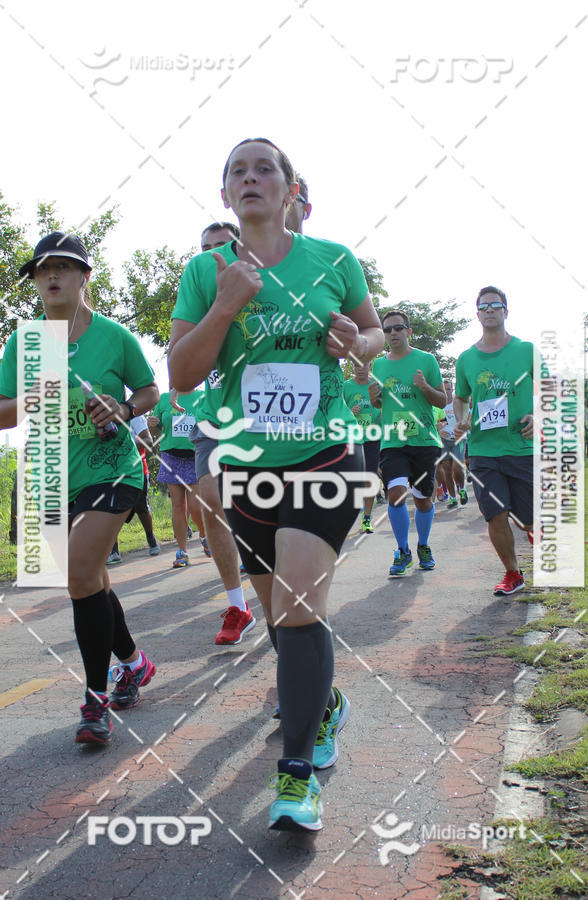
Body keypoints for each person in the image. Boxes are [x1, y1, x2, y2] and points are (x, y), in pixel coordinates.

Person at [168, 137, 384, 832]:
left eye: (266, 168)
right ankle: (321, 705)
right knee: (279, 616)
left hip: (323, 458)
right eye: (238, 171)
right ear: (225, 195)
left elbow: (374, 335)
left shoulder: (334, 260)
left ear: (292, 190)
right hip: (247, 472)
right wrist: (226, 306)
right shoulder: (206, 272)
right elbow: (179, 373)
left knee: (294, 606)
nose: (251, 177)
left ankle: (296, 779)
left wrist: (357, 342)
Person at [0, 232, 159, 744]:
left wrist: (125, 408)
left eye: (63, 267)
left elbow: (150, 390)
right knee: (88, 577)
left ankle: (95, 703)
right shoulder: (24, 343)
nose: (50, 276)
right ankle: (133, 663)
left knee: (76, 571)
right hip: (52, 470)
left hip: (113, 467)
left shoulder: (114, 336)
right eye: (42, 270)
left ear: (85, 276)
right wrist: (36, 397)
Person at [187, 220, 254, 645]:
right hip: (212, 422)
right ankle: (237, 604)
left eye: (223, 246)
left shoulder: (261, 296)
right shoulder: (195, 304)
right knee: (211, 503)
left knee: (260, 513)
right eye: (205, 248)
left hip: (260, 423)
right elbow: (184, 369)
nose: (214, 256)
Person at [454, 286, 533, 595]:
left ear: (505, 311)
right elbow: (460, 398)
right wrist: (461, 417)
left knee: (528, 520)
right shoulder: (466, 358)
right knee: (495, 513)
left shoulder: (526, 350)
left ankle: (531, 527)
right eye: (483, 306)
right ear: (477, 314)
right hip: (484, 450)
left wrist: (537, 416)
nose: (489, 310)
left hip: (521, 447)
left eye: (495, 305)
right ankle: (512, 573)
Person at [370, 310, 446, 576]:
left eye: (398, 328)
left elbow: (442, 400)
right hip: (393, 441)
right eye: (388, 329)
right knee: (396, 493)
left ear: (408, 331)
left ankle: (423, 546)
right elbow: (379, 403)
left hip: (424, 441)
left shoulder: (426, 360)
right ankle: (402, 550)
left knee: (424, 500)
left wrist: (425, 386)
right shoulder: (378, 365)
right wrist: (374, 398)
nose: (393, 333)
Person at [147, 388, 210, 567]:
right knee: (178, 506)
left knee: (196, 506)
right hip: (171, 456)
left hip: (195, 455)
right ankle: (182, 552)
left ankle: (204, 536)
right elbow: (158, 430)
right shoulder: (165, 399)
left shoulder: (202, 396)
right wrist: (152, 424)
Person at [106, 414, 160, 563]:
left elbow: (148, 441)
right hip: (110, 471)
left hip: (136, 470)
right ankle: (113, 550)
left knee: (141, 508)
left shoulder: (134, 415)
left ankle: (150, 537)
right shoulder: (102, 415)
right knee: (110, 509)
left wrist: (129, 442)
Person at [343, 360, 381, 532]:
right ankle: (347, 515)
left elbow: (387, 407)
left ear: (369, 365)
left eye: (363, 365)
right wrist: (349, 413)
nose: (360, 369)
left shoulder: (377, 385)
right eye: (357, 366)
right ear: (353, 367)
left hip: (373, 439)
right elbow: (336, 411)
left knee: (370, 478)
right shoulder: (346, 387)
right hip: (352, 439)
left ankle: (367, 518)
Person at [437, 379, 468, 509]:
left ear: (452, 390)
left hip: (458, 439)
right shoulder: (437, 404)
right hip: (444, 440)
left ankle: (461, 488)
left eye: (449, 389)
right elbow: (433, 421)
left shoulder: (457, 403)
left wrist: (461, 427)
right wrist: (438, 429)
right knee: (446, 468)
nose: (447, 392)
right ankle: (452, 498)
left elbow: (465, 418)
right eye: (444, 389)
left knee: (457, 467)